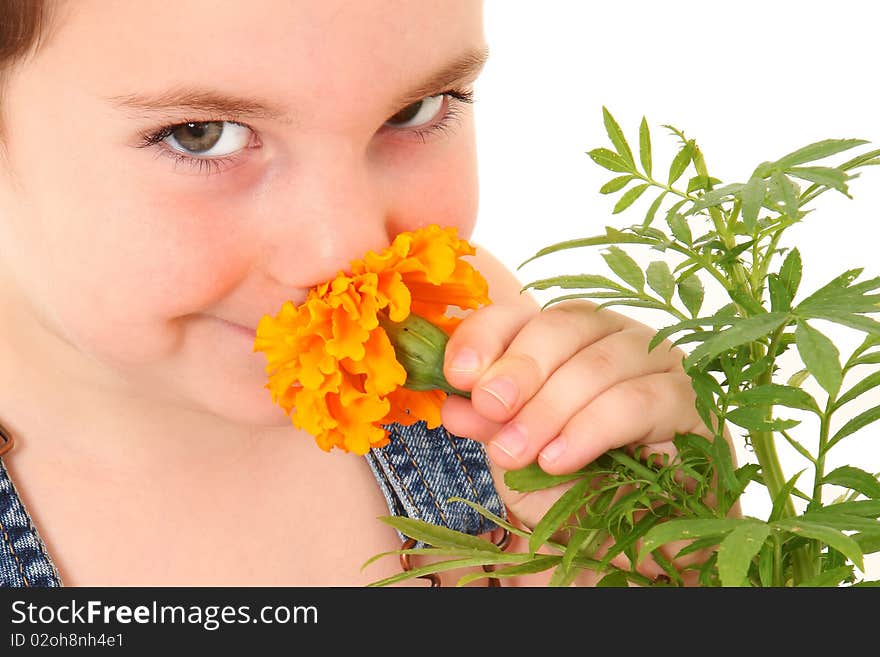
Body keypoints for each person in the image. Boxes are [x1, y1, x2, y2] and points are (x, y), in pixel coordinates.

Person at [0, 0, 712, 587]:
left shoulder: (475, 345)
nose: (345, 249)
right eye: (202, 134)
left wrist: (666, 550)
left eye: (416, 109)